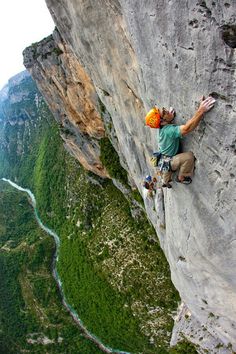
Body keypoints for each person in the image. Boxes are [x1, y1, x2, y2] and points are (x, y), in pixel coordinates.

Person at [145, 96, 216, 188]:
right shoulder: (168, 130)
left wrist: (170, 117)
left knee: (167, 172)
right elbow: (187, 128)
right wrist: (201, 110)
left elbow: (169, 124)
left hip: (166, 157)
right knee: (188, 157)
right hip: (169, 160)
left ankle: (166, 180)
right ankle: (181, 177)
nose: (166, 110)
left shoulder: (163, 126)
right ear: (162, 122)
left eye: (163, 109)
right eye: (164, 112)